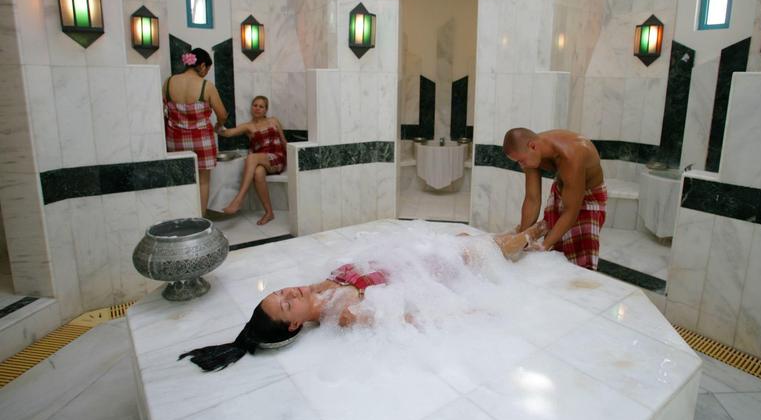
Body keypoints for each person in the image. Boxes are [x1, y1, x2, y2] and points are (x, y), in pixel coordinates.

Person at [178, 229, 531, 372]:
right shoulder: (342, 313)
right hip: (431, 268)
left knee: (467, 238)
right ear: (296, 323)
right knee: (486, 247)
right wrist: (467, 313)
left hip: (416, 256)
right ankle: (533, 238)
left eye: (280, 292)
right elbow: (401, 318)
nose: (289, 293)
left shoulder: (318, 287)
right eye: (286, 304)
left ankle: (532, 238)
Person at [502, 127, 607, 270]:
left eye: (521, 161)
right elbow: (532, 198)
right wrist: (523, 238)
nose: (521, 165)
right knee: (556, 250)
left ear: (532, 146)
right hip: (562, 189)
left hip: (589, 196)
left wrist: (543, 246)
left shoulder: (572, 153)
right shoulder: (530, 152)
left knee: (580, 259)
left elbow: (571, 211)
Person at [163, 49, 227, 215]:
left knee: (180, 180)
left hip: (175, 140)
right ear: (202, 66)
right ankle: (201, 219)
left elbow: (159, 111)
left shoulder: (169, 83)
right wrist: (219, 125)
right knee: (203, 182)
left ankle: (182, 217)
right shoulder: (206, 86)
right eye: (207, 70)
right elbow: (222, 114)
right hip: (202, 141)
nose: (205, 74)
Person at [217, 96, 288, 224]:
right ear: (251, 108)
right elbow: (228, 133)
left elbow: (283, 141)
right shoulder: (248, 126)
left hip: (277, 158)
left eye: (261, 106)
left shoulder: (273, 121)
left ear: (266, 110)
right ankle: (269, 212)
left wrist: (293, 162)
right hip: (262, 161)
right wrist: (219, 124)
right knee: (258, 173)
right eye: (255, 105)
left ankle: (239, 199)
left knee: (252, 157)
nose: (257, 108)